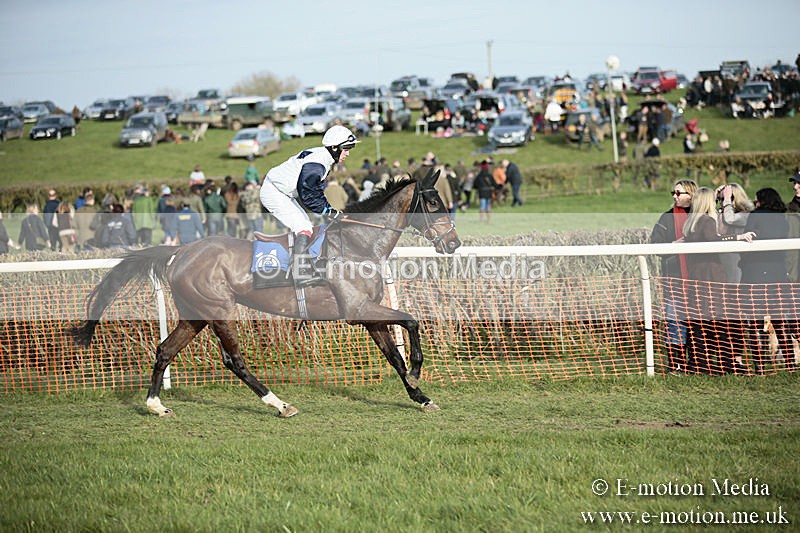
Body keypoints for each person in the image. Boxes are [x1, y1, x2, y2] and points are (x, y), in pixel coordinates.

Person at [259, 125, 358, 286]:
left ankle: (303, 266)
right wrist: (329, 211)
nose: (347, 153)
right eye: (345, 149)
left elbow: (317, 194)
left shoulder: (323, 158)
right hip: (274, 192)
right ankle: (299, 273)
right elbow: (308, 195)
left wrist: (331, 210)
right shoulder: (317, 164)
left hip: (282, 191)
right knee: (303, 227)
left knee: (307, 226)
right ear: (334, 148)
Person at [683, 187, 755, 375]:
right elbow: (715, 240)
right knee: (719, 322)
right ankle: (724, 362)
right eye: (713, 201)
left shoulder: (691, 221)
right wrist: (738, 237)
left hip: (697, 276)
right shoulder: (706, 221)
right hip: (711, 277)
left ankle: (700, 362)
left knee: (699, 323)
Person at [739, 187, 794, 373]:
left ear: (761, 200)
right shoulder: (783, 218)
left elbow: (747, 242)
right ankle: (790, 366)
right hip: (777, 273)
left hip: (755, 273)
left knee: (754, 324)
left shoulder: (755, 215)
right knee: (780, 323)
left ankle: (760, 368)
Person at [650, 180, 697, 374]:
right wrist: (673, 244)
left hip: (699, 279)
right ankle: (676, 364)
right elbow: (655, 245)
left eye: (679, 193)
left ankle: (696, 363)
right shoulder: (667, 217)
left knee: (697, 324)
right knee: (674, 322)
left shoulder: (702, 217)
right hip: (675, 280)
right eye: (673, 193)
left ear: (691, 195)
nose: (674, 196)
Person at [716, 183, 754, 283]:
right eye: (720, 200)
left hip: (736, 262)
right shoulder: (722, 213)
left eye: (723, 199)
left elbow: (730, 219)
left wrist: (727, 200)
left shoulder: (745, 215)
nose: (721, 203)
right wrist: (713, 199)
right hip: (721, 261)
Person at [786, 173, 800, 282]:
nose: (795, 187)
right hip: (794, 277)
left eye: (799, 183)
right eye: (795, 183)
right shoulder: (788, 211)